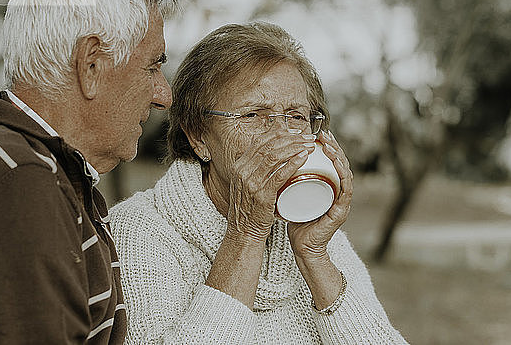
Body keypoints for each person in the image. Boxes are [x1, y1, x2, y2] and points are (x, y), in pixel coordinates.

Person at [110, 22, 408, 344]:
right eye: (254, 115)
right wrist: (246, 234)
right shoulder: (139, 230)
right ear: (198, 136)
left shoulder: (312, 232)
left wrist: (315, 256)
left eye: (295, 116)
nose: (282, 136)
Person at [0, 0, 176, 344]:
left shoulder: (21, 164)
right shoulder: (20, 182)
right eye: (153, 66)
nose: (163, 95)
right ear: (91, 66)